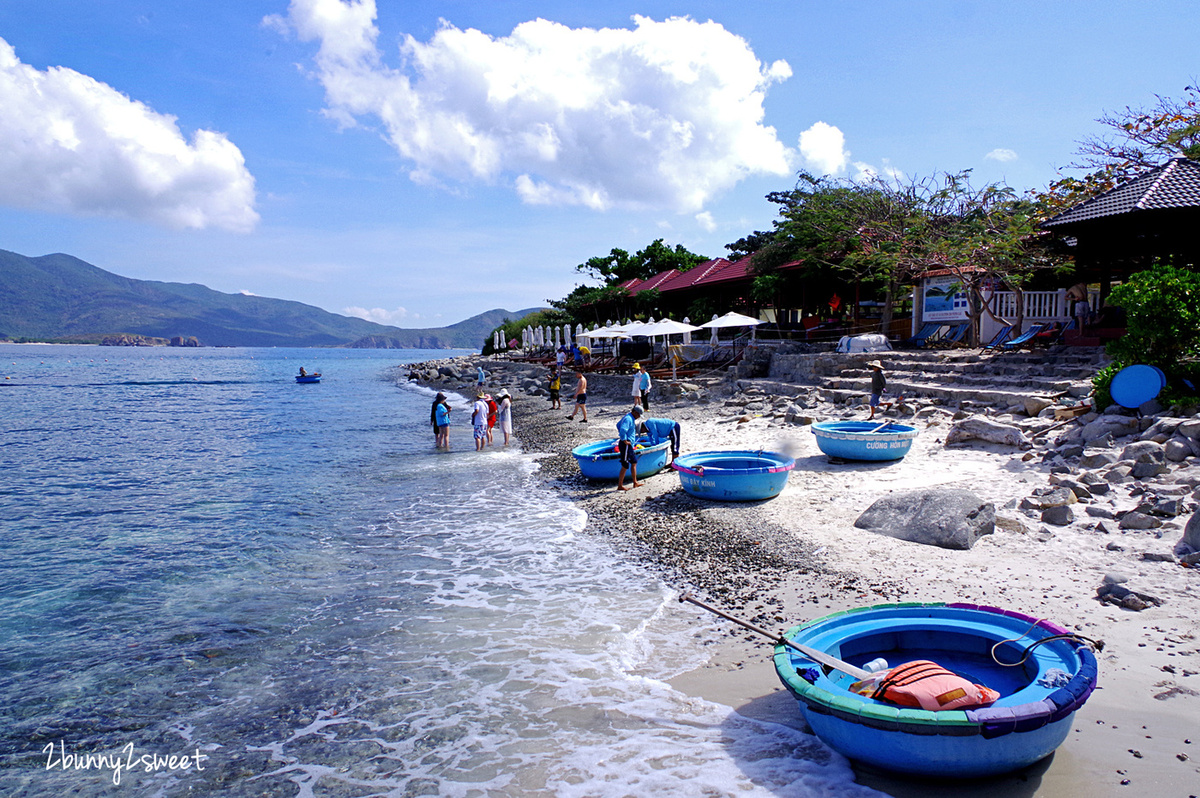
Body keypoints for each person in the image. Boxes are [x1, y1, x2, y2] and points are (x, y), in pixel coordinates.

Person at [616, 405, 644, 491]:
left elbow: (618, 424)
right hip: (626, 445)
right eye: (638, 415)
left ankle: (635, 482)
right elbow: (623, 430)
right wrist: (624, 440)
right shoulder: (628, 418)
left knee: (634, 462)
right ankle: (620, 485)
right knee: (625, 465)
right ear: (635, 413)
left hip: (629, 445)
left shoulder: (629, 417)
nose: (639, 417)